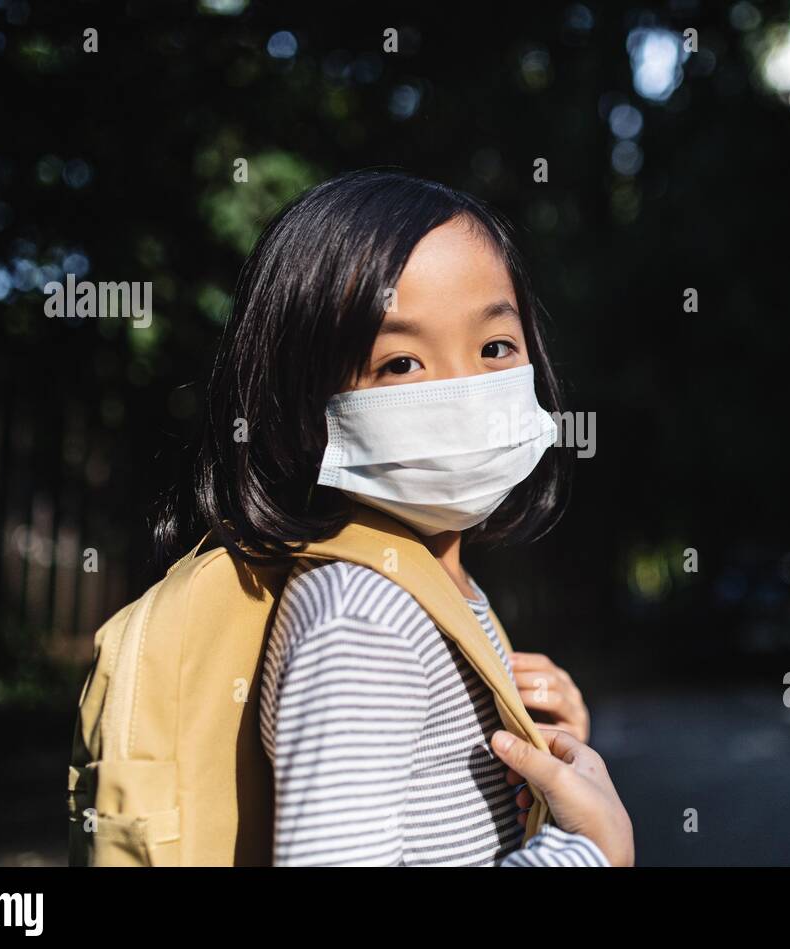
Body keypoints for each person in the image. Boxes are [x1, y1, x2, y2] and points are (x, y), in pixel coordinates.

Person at [156, 168, 634, 866]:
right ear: (300, 403)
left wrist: (546, 761)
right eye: (402, 362)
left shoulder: (431, 585)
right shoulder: (363, 613)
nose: (465, 389)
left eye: (495, 347)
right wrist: (589, 852)